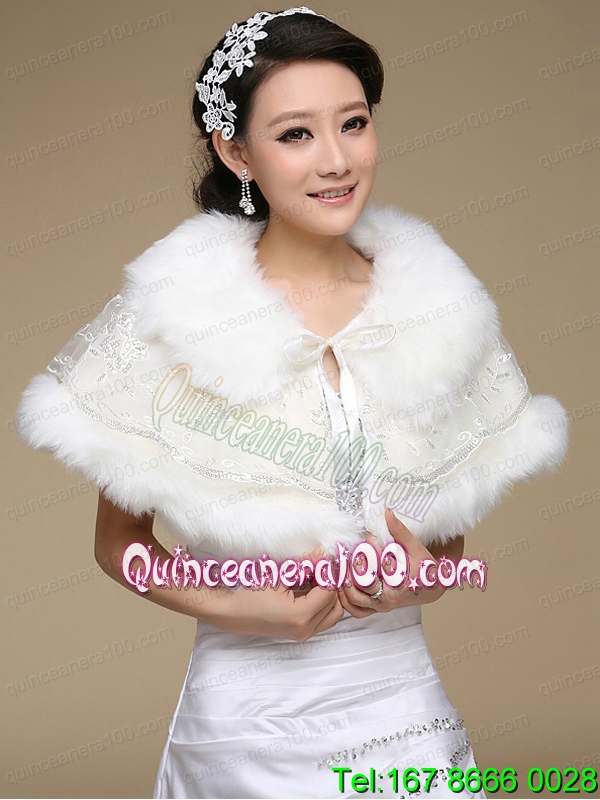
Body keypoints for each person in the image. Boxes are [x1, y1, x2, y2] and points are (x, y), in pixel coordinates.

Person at [15, 7, 569, 799]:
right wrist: (244, 609)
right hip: (245, 728)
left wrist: (424, 580)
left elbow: (444, 542)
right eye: (296, 134)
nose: (336, 160)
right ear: (235, 150)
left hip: (401, 709)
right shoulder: (176, 315)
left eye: (354, 123)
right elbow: (119, 545)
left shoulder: (437, 311)